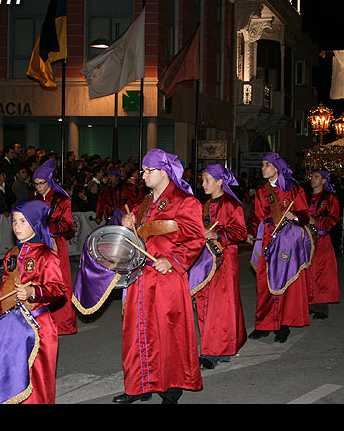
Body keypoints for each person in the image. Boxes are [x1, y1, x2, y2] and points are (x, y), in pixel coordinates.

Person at [115, 148, 205, 404]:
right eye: (143, 170)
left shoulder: (186, 201)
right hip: (140, 278)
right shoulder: (144, 202)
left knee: (167, 334)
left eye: (148, 170)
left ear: (163, 171)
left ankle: (170, 388)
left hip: (166, 278)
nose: (142, 175)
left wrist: (173, 260)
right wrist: (127, 222)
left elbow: (196, 238)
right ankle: (139, 386)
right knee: (136, 333)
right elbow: (137, 234)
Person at [0, 199, 66, 403]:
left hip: (39, 327)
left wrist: (33, 291)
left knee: (37, 383)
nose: (16, 226)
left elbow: (58, 288)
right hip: (14, 324)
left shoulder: (46, 255)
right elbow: (6, 290)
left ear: (35, 223)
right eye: (14, 221)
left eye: (23, 221)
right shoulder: (12, 255)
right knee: (13, 380)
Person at [246, 152, 312, 343]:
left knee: (284, 281)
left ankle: (283, 325)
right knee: (264, 281)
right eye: (262, 165)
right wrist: (251, 231)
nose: (263, 168)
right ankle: (264, 324)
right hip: (266, 237)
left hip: (287, 240)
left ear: (276, 167)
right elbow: (255, 216)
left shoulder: (294, 189)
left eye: (266, 165)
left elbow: (305, 213)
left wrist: (295, 216)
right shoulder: (261, 191)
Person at [194, 164, 247, 369]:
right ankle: (217, 348)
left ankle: (213, 351)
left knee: (220, 306)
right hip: (206, 260)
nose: (204, 183)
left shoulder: (232, 204)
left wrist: (219, 234)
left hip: (225, 260)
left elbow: (240, 232)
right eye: (203, 179)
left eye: (208, 180)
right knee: (205, 303)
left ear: (220, 181)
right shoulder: (205, 204)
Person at [29, 158, 77, 335]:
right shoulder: (32, 198)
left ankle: (63, 322)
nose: (38, 187)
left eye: (41, 183)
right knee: (36, 279)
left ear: (49, 182)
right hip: (37, 244)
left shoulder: (62, 199)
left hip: (55, 243)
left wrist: (48, 227)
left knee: (59, 281)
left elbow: (68, 225)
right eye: (35, 184)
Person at [305, 170, 340, 320]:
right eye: (312, 176)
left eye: (316, 177)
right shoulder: (305, 197)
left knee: (322, 273)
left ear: (324, 181)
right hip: (305, 239)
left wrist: (316, 222)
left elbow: (334, 218)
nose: (312, 179)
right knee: (305, 271)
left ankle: (321, 307)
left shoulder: (330, 198)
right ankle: (306, 304)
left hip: (322, 240)